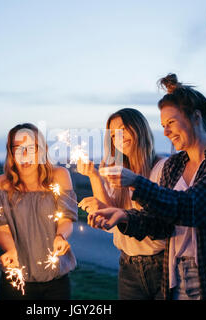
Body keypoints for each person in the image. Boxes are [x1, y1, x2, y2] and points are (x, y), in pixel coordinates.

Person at [89, 74, 206, 300]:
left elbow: (195, 207)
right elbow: (161, 223)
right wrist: (123, 216)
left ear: (196, 117)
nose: (166, 132)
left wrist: (136, 182)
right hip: (175, 274)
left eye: (171, 123)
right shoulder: (175, 165)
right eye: (163, 125)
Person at [77, 108, 171, 299]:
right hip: (128, 266)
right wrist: (93, 175)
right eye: (113, 134)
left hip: (162, 264)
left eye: (123, 128)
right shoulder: (115, 172)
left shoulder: (163, 168)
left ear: (139, 128)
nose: (118, 137)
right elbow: (110, 221)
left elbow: (160, 221)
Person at [0, 123, 78, 300]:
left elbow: (66, 219)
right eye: (18, 148)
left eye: (31, 147)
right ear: (11, 152)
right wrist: (10, 250)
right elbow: (2, 228)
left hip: (55, 280)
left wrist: (60, 237)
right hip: (15, 279)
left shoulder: (59, 176)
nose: (25, 155)